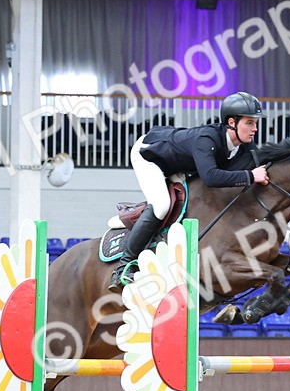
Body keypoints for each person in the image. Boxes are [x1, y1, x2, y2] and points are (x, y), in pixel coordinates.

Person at [109, 91, 270, 291]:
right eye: (249, 122)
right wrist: (250, 176)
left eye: (256, 123)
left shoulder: (244, 145)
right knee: (161, 205)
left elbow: (259, 168)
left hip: (177, 163)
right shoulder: (207, 140)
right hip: (149, 156)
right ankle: (123, 267)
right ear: (232, 122)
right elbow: (211, 177)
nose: (255, 129)